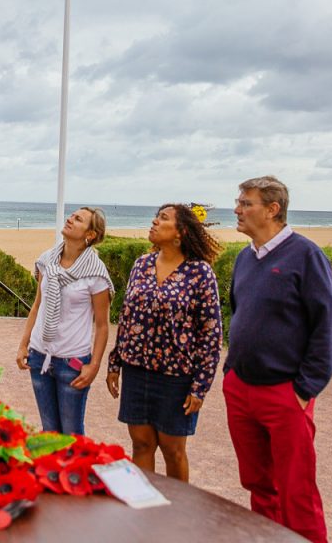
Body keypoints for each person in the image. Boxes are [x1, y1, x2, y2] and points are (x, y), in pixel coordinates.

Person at [224, 176, 332, 543]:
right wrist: (230, 372)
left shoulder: (306, 256)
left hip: (284, 393)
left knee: (297, 490)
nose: (237, 209)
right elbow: (238, 311)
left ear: (273, 209)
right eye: (239, 202)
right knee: (258, 483)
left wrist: (305, 389)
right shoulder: (245, 257)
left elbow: (327, 328)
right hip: (241, 388)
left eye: (246, 203)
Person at [105, 204, 222, 482]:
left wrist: (200, 386)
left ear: (180, 231)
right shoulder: (141, 265)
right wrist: (115, 362)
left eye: (163, 218)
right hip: (136, 369)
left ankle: (176, 516)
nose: (154, 222)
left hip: (176, 376)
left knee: (173, 450)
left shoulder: (200, 273)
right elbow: (126, 315)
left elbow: (211, 333)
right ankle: (145, 510)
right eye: (156, 217)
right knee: (141, 444)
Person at [15, 207, 112, 435]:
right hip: (39, 357)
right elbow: (37, 305)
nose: (70, 219)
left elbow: (102, 325)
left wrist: (94, 365)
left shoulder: (96, 273)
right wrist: (23, 344)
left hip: (72, 363)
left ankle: (73, 473)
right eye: (72, 215)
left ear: (90, 235)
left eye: (78, 219)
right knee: (49, 433)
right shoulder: (47, 260)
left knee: (71, 436)